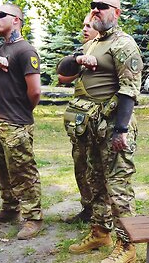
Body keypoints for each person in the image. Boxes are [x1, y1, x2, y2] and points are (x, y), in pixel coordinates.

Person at [56, 0, 144, 262]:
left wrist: (121, 131)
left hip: (113, 127)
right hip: (91, 127)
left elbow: (129, 91)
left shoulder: (124, 44)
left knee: (118, 188)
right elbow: (63, 70)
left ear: (116, 13)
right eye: (93, 6)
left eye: (102, 6)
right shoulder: (93, 43)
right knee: (95, 183)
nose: (95, 10)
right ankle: (100, 232)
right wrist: (78, 57)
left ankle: (127, 245)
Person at [0, 3, 44, 240]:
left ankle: (33, 218)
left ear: (16, 20)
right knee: (0, 171)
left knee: (23, 172)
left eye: (1, 14)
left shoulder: (25, 51)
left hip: (16, 124)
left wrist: (21, 112)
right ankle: (9, 209)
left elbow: (35, 92)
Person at [57, 13, 99, 224]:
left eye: (89, 25)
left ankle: (104, 214)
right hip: (80, 121)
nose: (84, 29)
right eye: (83, 25)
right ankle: (87, 208)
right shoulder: (82, 51)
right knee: (80, 164)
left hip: (100, 121)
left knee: (99, 169)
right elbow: (62, 77)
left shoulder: (112, 49)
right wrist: (77, 61)